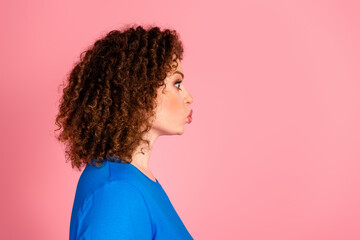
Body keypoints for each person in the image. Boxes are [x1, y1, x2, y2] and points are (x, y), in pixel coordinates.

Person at [54, 25, 194, 239]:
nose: (188, 97)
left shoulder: (134, 181)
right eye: (177, 83)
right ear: (139, 90)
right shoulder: (118, 191)